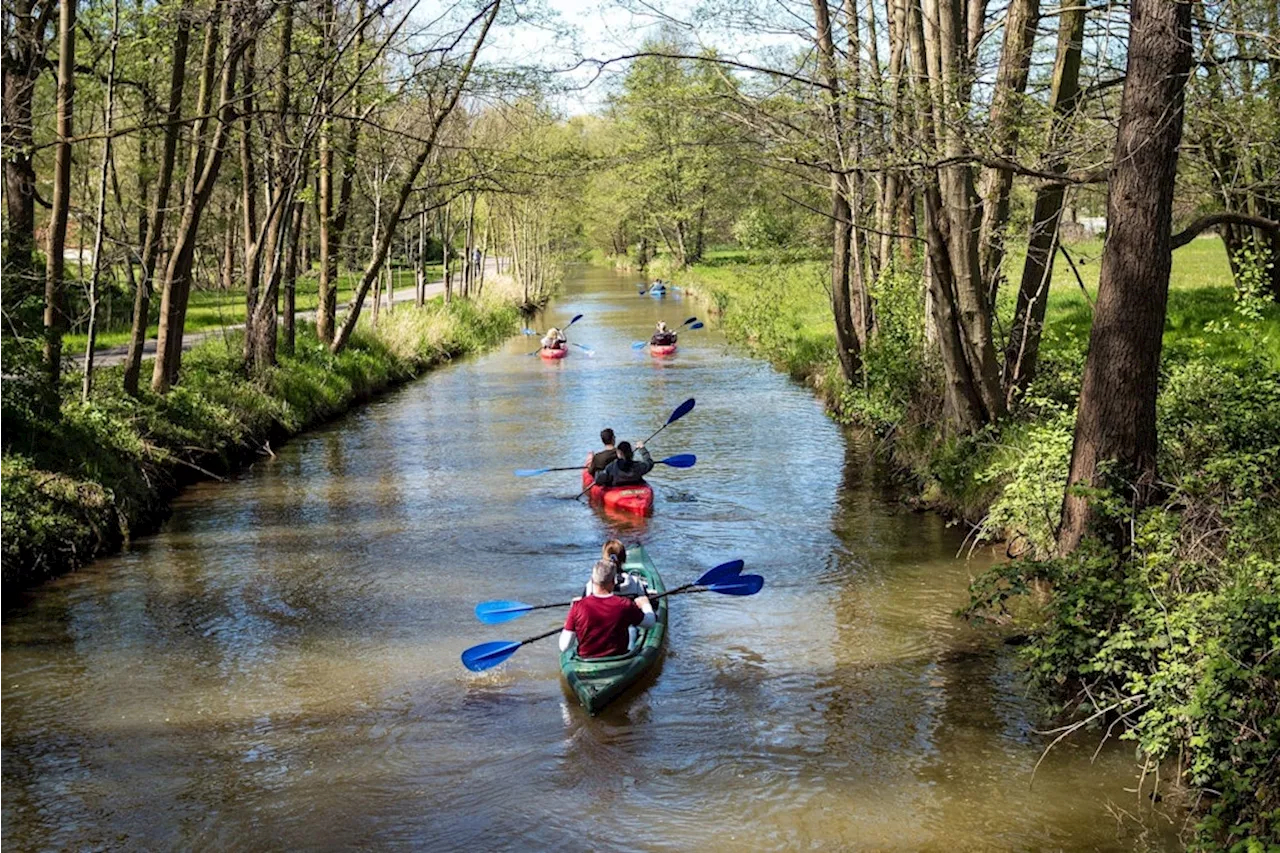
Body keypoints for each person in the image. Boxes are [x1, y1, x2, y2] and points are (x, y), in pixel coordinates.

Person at [560, 560, 656, 658]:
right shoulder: (625, 604)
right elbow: (650, 623)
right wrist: (645, 604)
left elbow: (564, 646)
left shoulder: (577, 606)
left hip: (587, 660)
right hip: (619, 659)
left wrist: (569, 621)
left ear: (592, 580)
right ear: (613, 582)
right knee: (632, 631)